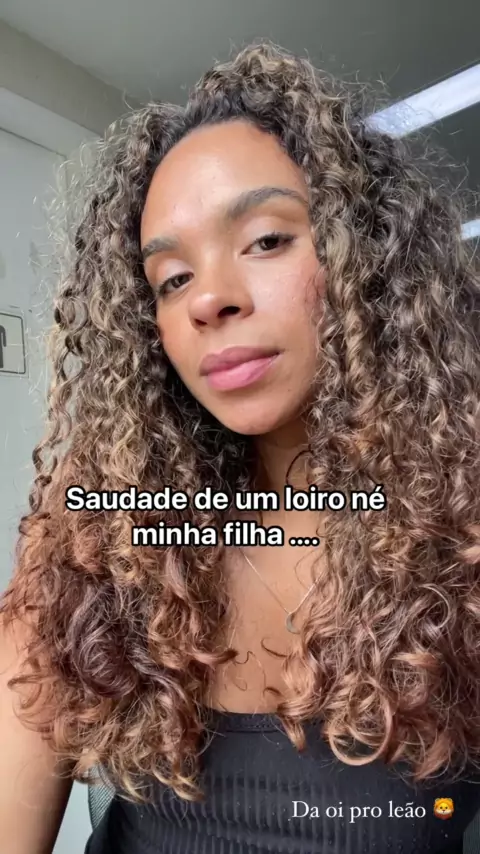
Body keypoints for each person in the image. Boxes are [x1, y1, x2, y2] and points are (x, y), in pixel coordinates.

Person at [1, 40, 480, 854]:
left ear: (367, 257)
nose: (210, 299)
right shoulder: (101, 541)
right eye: (171, 279)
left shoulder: (460, 545)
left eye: (265, 240)